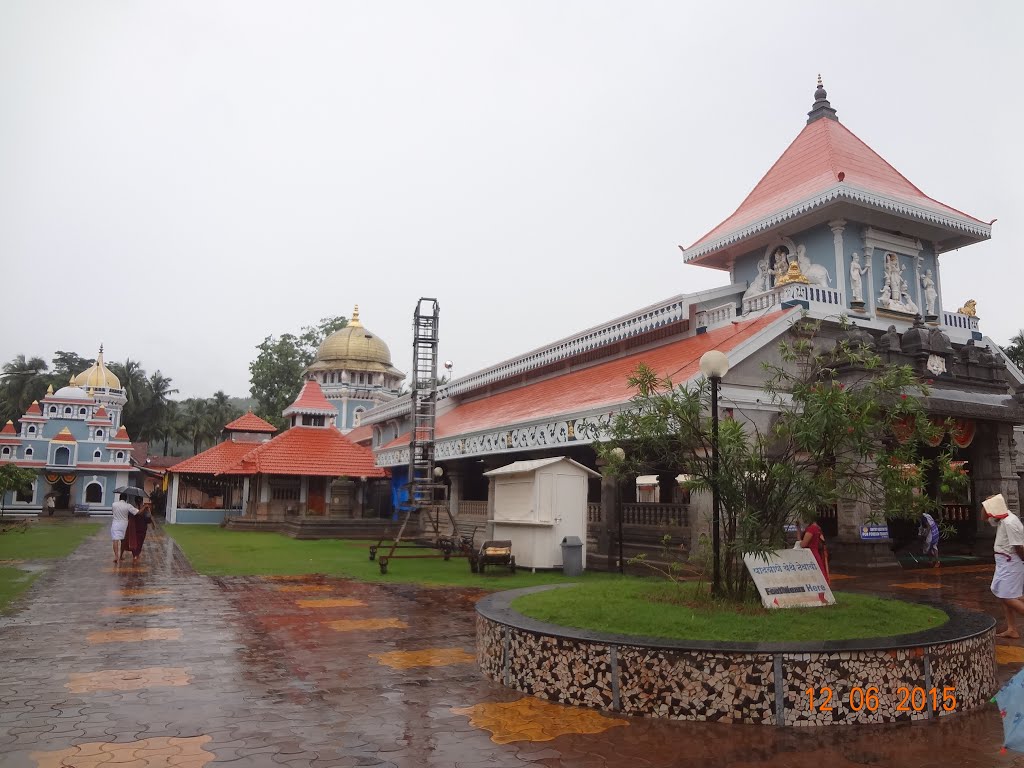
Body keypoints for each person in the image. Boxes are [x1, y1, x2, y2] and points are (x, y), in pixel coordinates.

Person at [985, 494, 1024, 639]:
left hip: (1011, 562)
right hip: (1004, 562)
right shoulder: (1001, 519)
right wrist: (989, 503)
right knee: (1004, 594)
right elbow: (984, 517)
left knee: (1007, 596)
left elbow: (1018, 546)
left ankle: (1012, 628)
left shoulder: (1010, 522)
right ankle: (1012, 629)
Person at [799, 514, 830, 585]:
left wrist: (800, 543)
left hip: (811, 554)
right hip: (817, 553)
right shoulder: (818, 528)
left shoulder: (811, 529)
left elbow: (803, 544)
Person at [110, 493, 140, 564]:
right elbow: (137, 512)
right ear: (126, 499)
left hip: (115, 523)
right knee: (123, 540)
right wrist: (143, 507)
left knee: (115, 540)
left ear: (119, 498)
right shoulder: (128, 506)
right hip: (124, 524)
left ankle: (116, 557)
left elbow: (113, 512)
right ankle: (120, 556)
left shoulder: (114, 504)